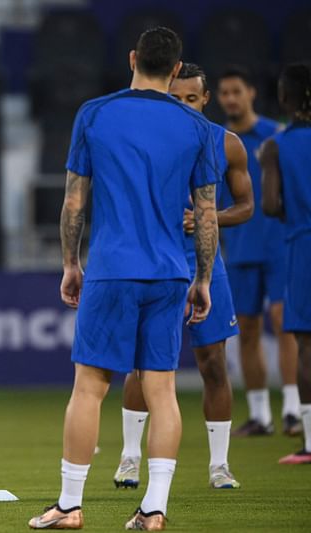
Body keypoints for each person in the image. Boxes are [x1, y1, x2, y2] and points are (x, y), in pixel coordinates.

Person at [28, 27, 220, 530]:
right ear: (177, 70)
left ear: (134, 59)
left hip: (112, 269)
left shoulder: (95, 114)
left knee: (90, 388)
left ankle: (70, 506)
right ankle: (154, 509)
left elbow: (74, 201)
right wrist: (202, 279)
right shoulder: (197, 127)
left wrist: (71, 263)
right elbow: (206, 214)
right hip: (170, 273)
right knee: (163, 391)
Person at [113, 63, 253, 491]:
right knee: (144, 365)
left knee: (214, 364)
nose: (183, 106)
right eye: (175, 98)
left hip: (205, 265)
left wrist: (211, 218)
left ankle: (219, 466)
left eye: (191, 98)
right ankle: (130, 459)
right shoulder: (145, 143)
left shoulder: (227, 144)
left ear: (205, 100)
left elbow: (246, 206)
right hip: (155, 264)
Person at [216, 67, 301, 437]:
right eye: (224, 93)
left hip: (279, 246)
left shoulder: (276, 137)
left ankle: (295, 409)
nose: (230, 98)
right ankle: (259, 415)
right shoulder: (218, 141)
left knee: (285, 323)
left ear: (251, 93)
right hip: (239, 249)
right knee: (247, 331)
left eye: (236, 91)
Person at [261, 62, 311, 465]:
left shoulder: (277, 145)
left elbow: (270, 205)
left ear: (282, 98)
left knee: (306, 344)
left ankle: (310, 444)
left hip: (302, 245)